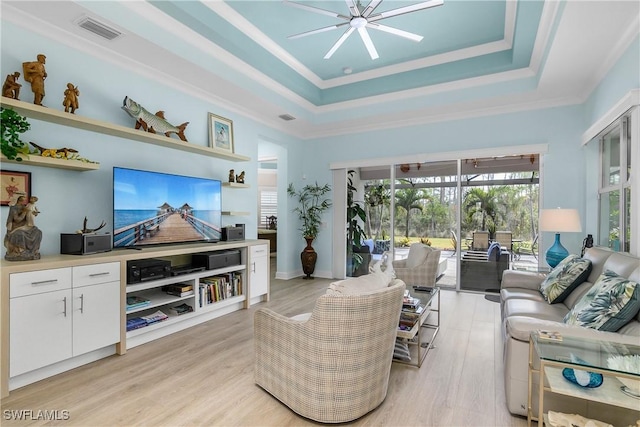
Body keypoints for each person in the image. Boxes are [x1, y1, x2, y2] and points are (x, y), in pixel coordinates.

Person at [4, 194, 42, 261]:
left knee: (38, 232)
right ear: (17, 200)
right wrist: (24, 212)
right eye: (21, 200)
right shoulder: (14, 208)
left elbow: (29, 215)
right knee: (20, 234)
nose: (23, 202)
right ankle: (21, 251)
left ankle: (33, 251)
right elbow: (17, 219)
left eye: (24, 201)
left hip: (26, 226)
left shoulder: (24, 207)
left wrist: (34, 214)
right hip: (16, 227)